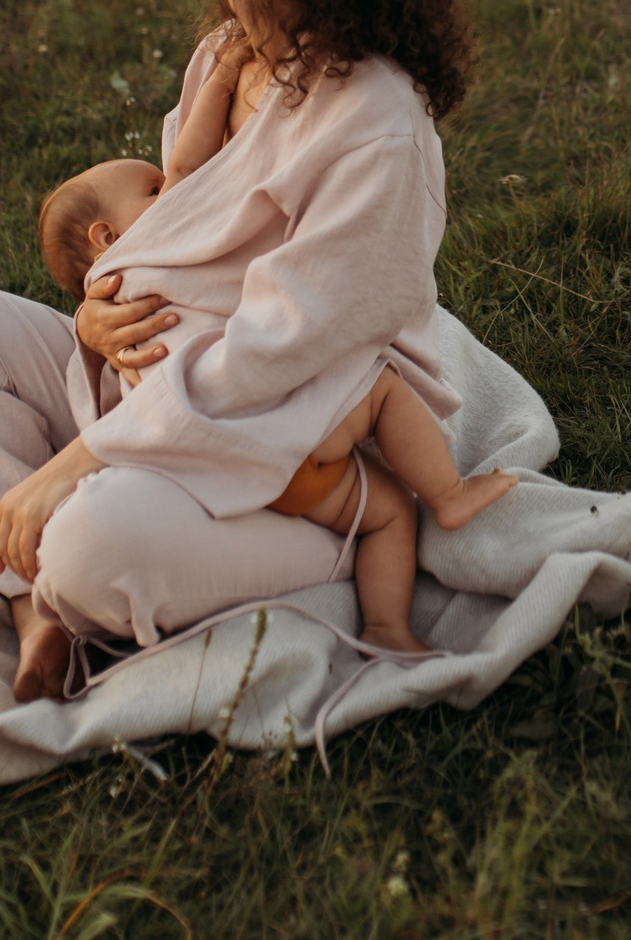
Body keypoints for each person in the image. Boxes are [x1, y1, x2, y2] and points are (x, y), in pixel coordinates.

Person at [0, 0, 478, 701]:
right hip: (152, 396)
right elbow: (167, 238)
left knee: (90, 544)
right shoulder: (222, 57)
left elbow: (271, 354)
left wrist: (84, 460)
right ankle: (33, 610)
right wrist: (92, 319)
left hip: (289, 455)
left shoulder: (374, 122)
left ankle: (61, 565)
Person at [34, 150, 515, 651]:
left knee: (387, 509)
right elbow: (194, 171)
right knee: (384, 394)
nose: (176, 187)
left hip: (209, 469)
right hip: (278, 428)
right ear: (108, 237)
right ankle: (446, 501)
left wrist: (87, 320)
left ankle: (385, 633)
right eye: (155, 191)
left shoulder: (107, 301)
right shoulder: (176, 248)